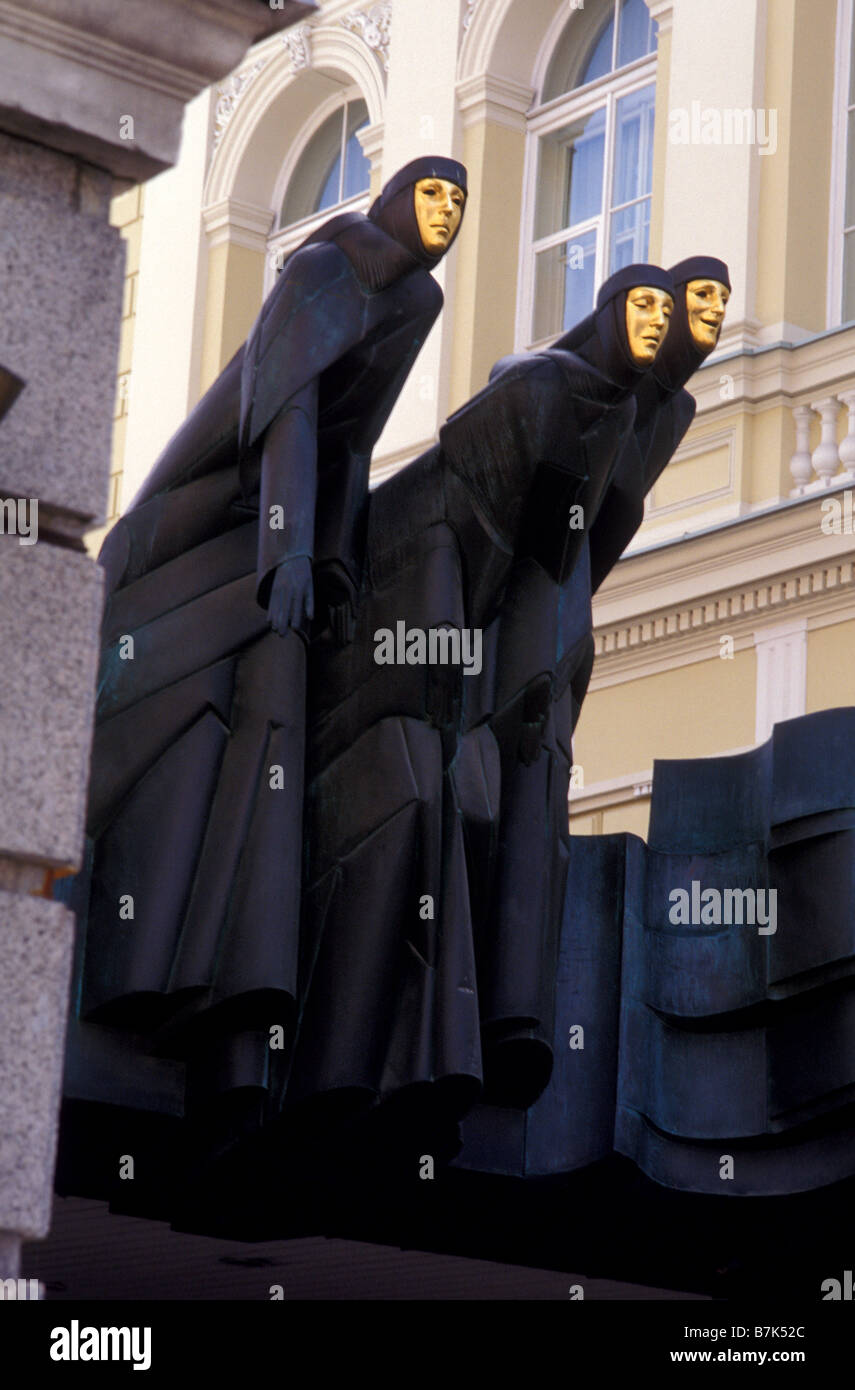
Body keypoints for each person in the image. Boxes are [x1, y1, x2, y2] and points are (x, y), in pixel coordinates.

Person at [79, 158, 468, 1134]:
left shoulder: (415, 301)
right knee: (259, 667)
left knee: (278, 690)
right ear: (393, 201)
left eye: (459, 200)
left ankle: (233, 996)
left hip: (275, 521)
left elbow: (352, 442)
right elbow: (289, 411)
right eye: (432, 193)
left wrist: (331, 563)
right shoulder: (327, 268)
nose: (448, 211)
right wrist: (285, 555)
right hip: (202, 519)